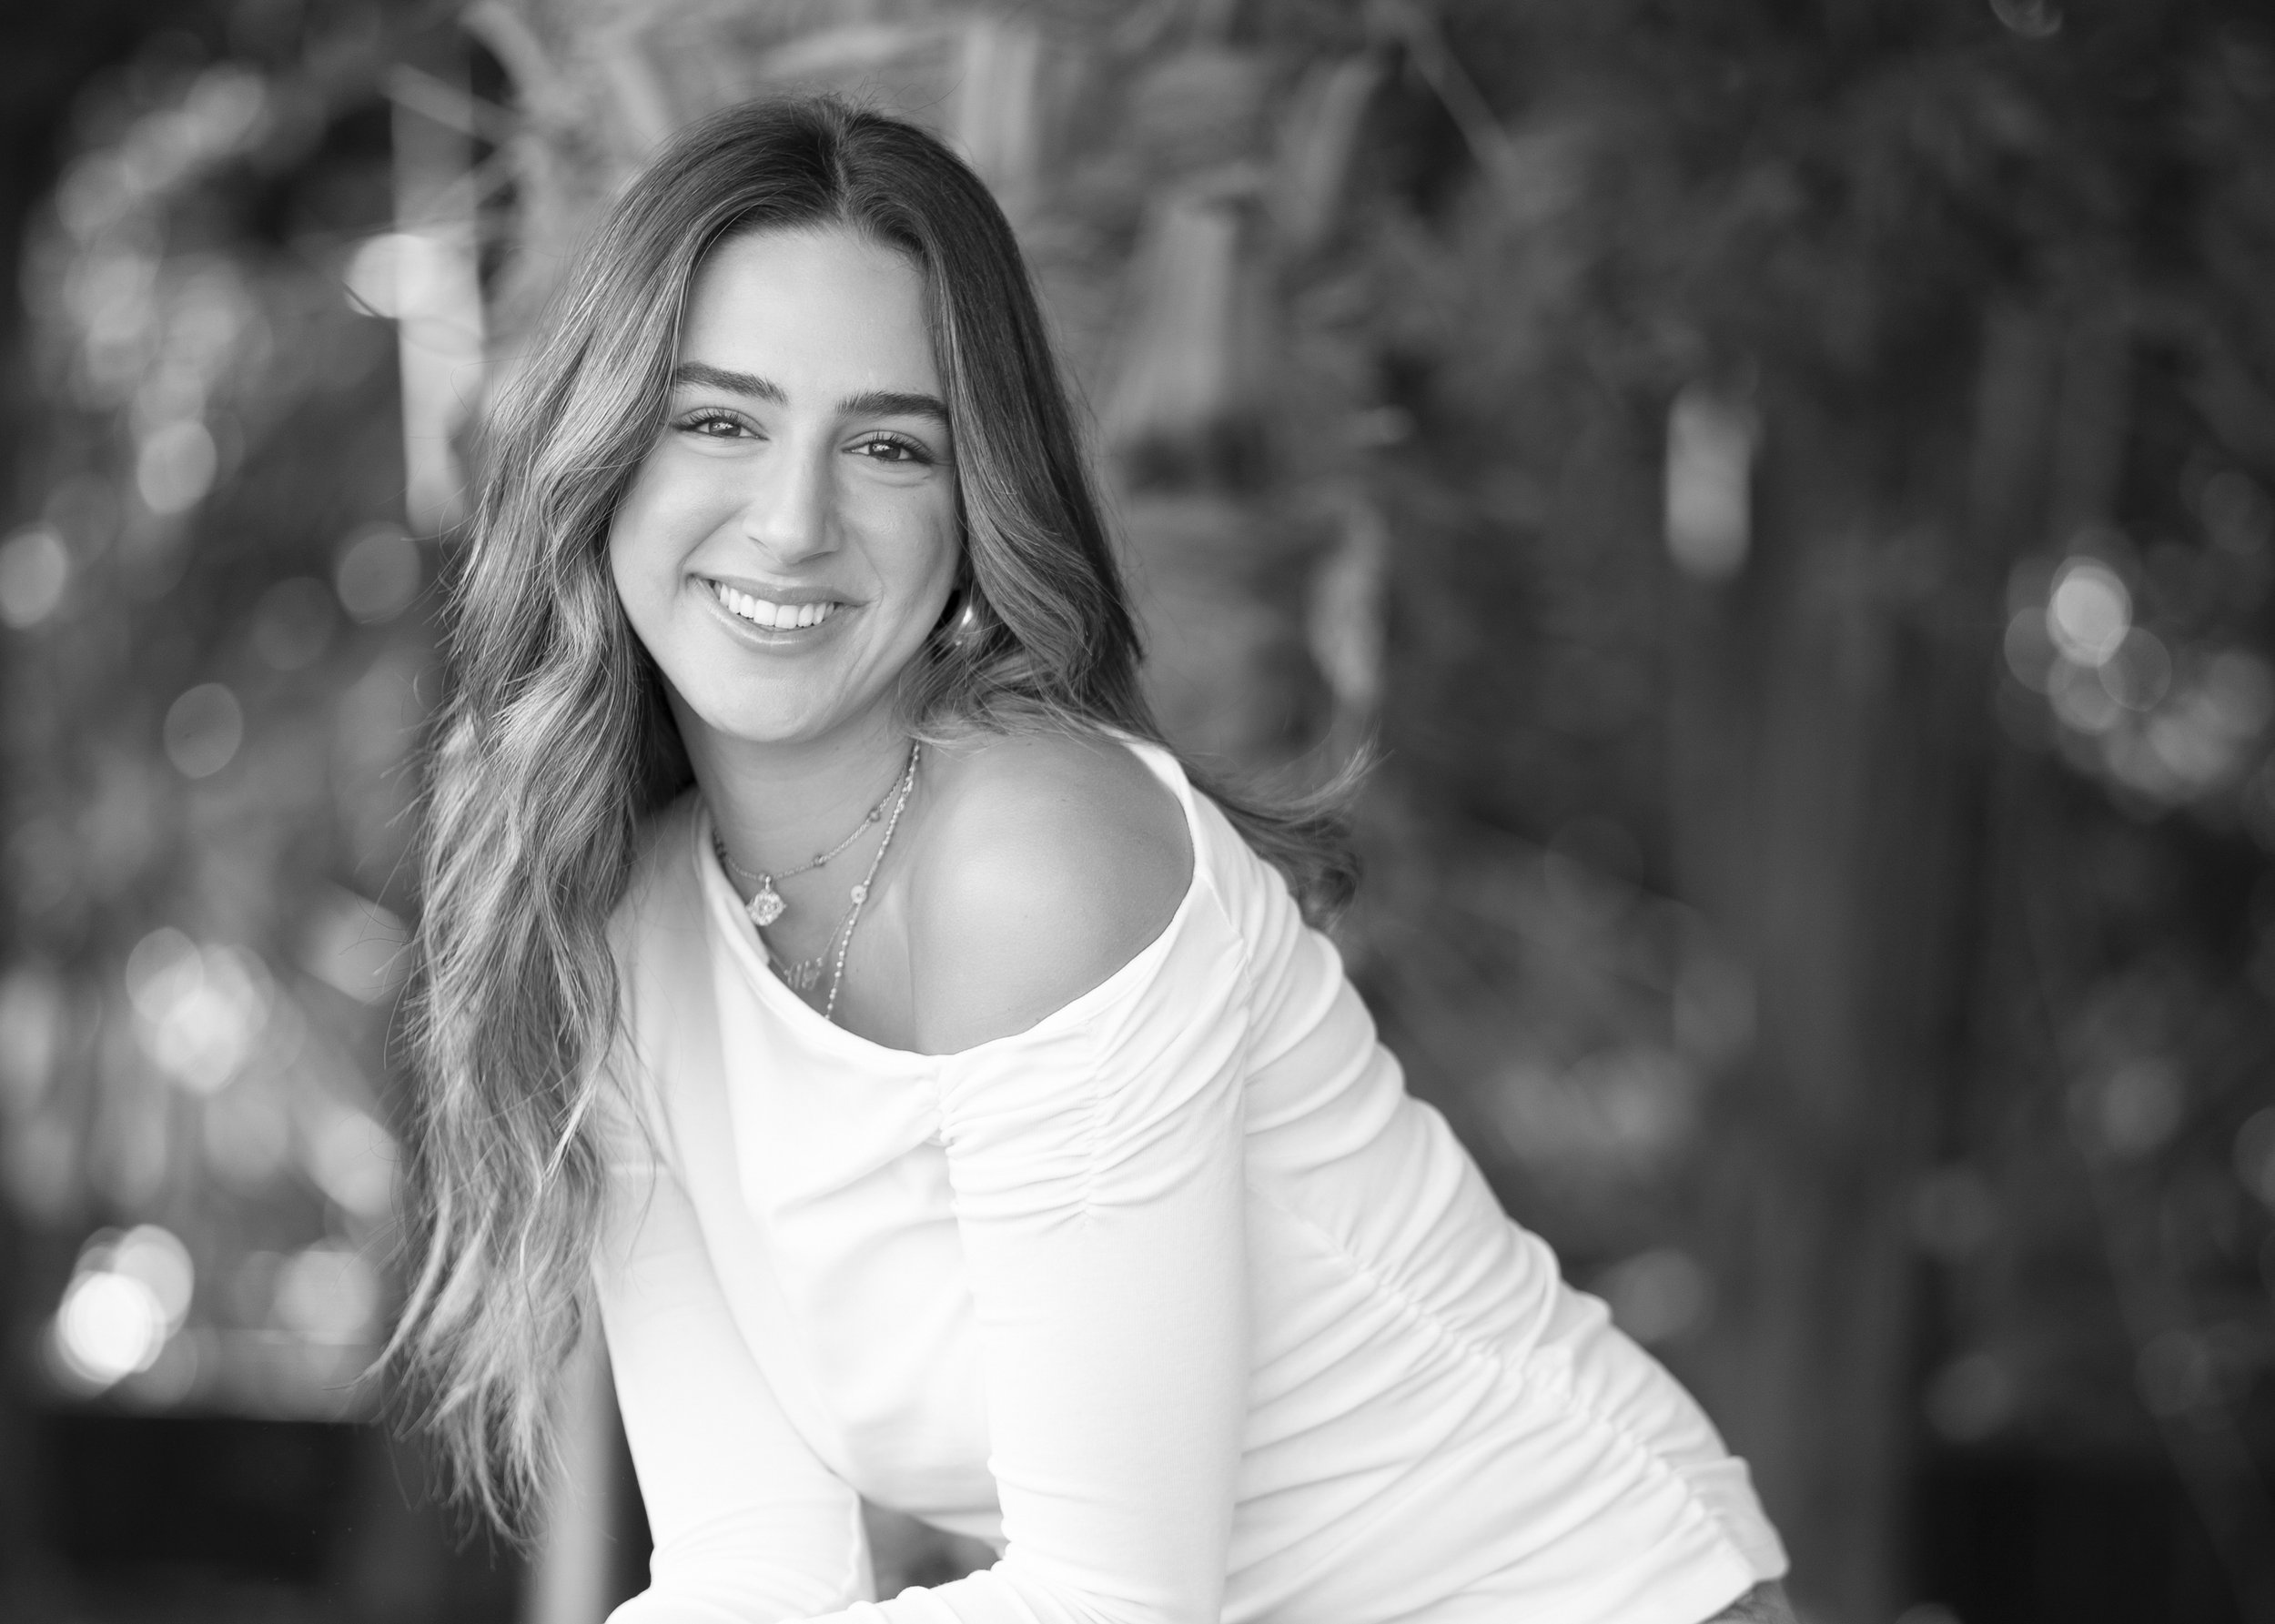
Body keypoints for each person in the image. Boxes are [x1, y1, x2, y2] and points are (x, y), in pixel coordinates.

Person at [391, 95, 1795, 1624]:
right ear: (603, 453)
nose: (792, 521)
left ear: (975, 503)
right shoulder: (620, 925)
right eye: (719, 419)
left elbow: (1110, 1604)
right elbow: (750, 1569)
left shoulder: (1030, 857)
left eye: (886, 445)